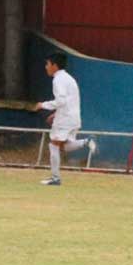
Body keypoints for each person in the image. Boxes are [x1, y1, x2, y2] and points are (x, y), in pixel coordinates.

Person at [34, 52, 95, 186]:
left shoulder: (58, 80)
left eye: (47, 64)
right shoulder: (68, 78)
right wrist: (56, 113)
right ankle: (86, 142)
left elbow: (61, 101)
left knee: (53, 145)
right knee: (63, 147)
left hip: (65, 119)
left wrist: (43, 105)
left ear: (54, 65)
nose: (46, 67)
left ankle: (55, 178)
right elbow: (68, 101)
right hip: (73, 117)